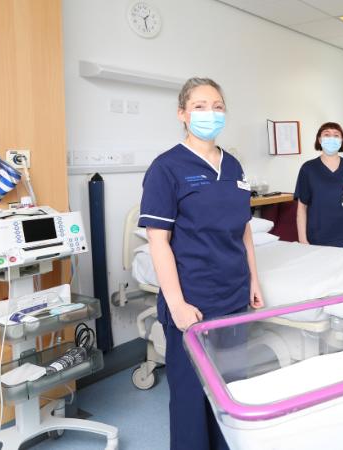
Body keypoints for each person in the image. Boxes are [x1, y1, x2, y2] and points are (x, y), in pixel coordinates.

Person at [140, 78, 264, 450]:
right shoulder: (166, 168)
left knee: (230, 390)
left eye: (218, 105)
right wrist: (176, 303)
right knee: (192, 397)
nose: (210, 112)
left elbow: (243, 230)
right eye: (200, 106)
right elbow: (157, 240)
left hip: (233, 293)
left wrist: (253, 281)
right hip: (192, 298)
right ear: (182, 113)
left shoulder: (234, 166)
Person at [295, 122, 343, 250]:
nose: (332, 138)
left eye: (336, 135)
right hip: (318, 236)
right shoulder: (308, 169)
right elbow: (302, 207)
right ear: (319, 140)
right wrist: (302, 239)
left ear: (342, 140)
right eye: (327, 134)